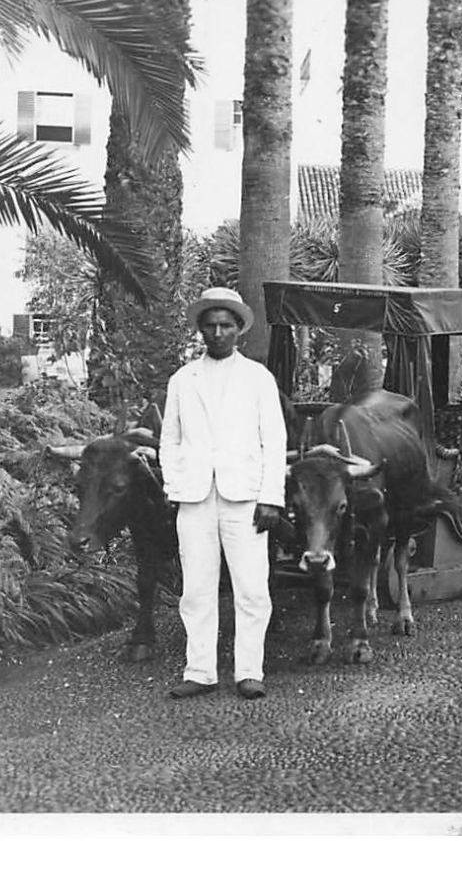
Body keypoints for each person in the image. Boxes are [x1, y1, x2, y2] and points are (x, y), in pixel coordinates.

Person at [160, 287, 288, 700]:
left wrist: (271, 498)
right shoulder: (183, 380)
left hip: (245, 497)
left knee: (251, 588)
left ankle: (249, 670)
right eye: (210, 326)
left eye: (225, 325)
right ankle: (200, 670)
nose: (217, 333)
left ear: (239, 330)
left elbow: (274, 438)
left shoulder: (257, 378)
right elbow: (170, 441)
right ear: (200, 330)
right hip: (195, 497)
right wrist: (176, 483)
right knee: (196, 588)